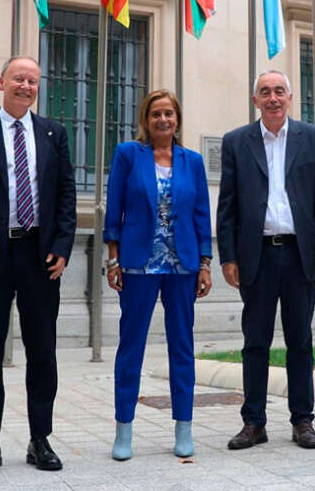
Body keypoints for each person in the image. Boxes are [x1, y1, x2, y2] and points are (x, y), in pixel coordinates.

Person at [0, 56, 77, 476]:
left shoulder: (54, 134)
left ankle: (40, 440)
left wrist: (62, 247)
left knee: (43, 351)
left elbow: (65, 195)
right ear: (2, 81)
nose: (26, 86)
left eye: (33, 81)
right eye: (19, 79)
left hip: (40, 259)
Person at [216, 70, 315, 450]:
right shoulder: (237, 142)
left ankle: (303, 421)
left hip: (300, 254)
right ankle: (254, 422)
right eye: (265, 92)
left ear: (290, 97)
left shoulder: (313, 139)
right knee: (255, 342)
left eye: (279, 91)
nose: (272, 98)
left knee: (300, 341)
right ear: (256, 100)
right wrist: (228, 257)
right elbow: (228, 205)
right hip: (257, 256)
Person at [102, 89, 213, 461]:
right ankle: (124, 431)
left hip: (182, 266)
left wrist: (205, 263)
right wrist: (113, 258)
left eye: (168, 114)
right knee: (130, 348)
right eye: (155, 115)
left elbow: (201, 214)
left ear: (177, 119)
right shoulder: (128, 155)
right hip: (139, 264)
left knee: (182, 348)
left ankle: (183, 427)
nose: (162, 120)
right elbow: (114, 208)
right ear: (145, 121)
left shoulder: (192, 161)